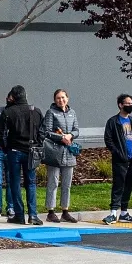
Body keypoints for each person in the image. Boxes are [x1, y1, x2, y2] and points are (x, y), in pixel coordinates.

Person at [0, 86, 43, 225]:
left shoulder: (8, 112)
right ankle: (33, 215)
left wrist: (5, 147)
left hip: (14, 150)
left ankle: (19, 214)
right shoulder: (36, 111)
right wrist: (38, 143)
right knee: (31, 182)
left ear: (13, 97)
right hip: (31, 151)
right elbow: (42, 131)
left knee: (14, 183)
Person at [102, 95, 132, 224]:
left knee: (129, 185)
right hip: (120, 159)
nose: (130, 105)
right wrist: (118, 153)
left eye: (131, 103)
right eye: (127, 103)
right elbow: (108, 140)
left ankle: (124, 212)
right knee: (118, 185)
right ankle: (113, 212)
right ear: (120, 105)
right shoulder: (113, 122)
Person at [41, 89, 79, 223]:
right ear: (54, 100)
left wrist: (71, 135)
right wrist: (61, 137)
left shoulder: (72, 113)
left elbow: (76, 130)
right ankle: (51, 211)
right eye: (57, 98)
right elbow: (47, 132)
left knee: (67, 184)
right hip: (55, 152)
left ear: (67, 98)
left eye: (63, 97)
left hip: (69, 153)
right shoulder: (51, 113)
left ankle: (65, 210)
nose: (60, 100)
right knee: (53, 182)